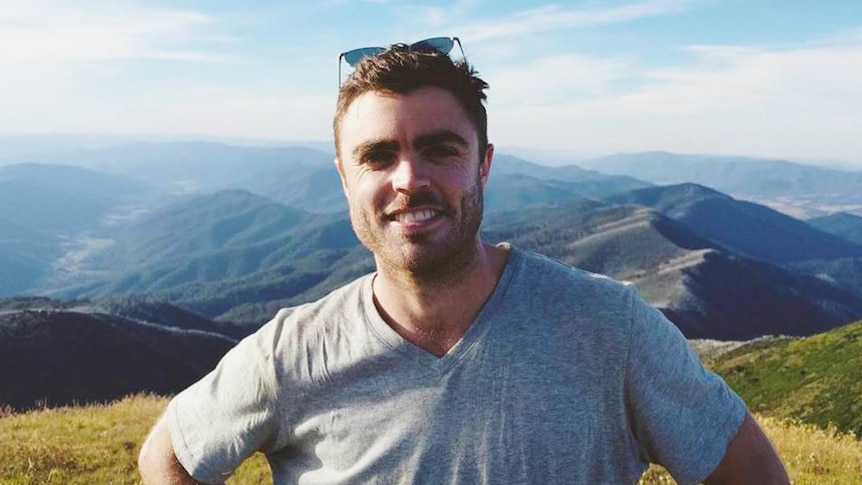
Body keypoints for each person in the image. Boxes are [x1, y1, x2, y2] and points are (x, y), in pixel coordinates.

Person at [139, 37, 789, 484]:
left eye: (440, 149)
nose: (409, 178)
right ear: (344, 176)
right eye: (377, 156)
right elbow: (168, 454)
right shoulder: (290, 352)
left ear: (483, 163)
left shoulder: (609, 327)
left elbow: (752, 473)